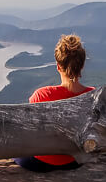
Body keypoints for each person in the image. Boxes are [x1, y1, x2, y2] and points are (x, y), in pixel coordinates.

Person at [14, 34, 94, 172]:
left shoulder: (41, 95)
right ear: (81, 66)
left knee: (15, 151)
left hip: (42, 162)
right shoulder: (94, 95)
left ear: (58, 66)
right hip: (76, 160)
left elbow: (31, 132)